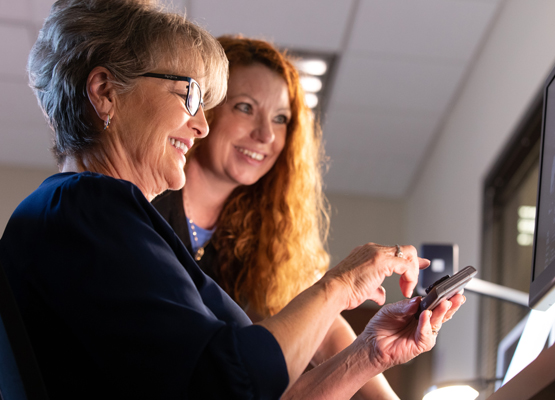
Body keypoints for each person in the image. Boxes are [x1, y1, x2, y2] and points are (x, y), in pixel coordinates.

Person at [0, 1, 464, 399]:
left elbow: (246, 389)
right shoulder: (90, 208)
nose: (200, 125)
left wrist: (372, 352)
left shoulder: (87, 213)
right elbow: (232, 382)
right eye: (188, 95)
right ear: (105, 93)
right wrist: (339, 285)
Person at [153, 36, 402, 398]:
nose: (265, 134)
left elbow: (327, 329)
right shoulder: (146, 200)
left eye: (281, 118)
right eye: (245, 107)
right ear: (204, 108)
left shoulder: (263, 236)